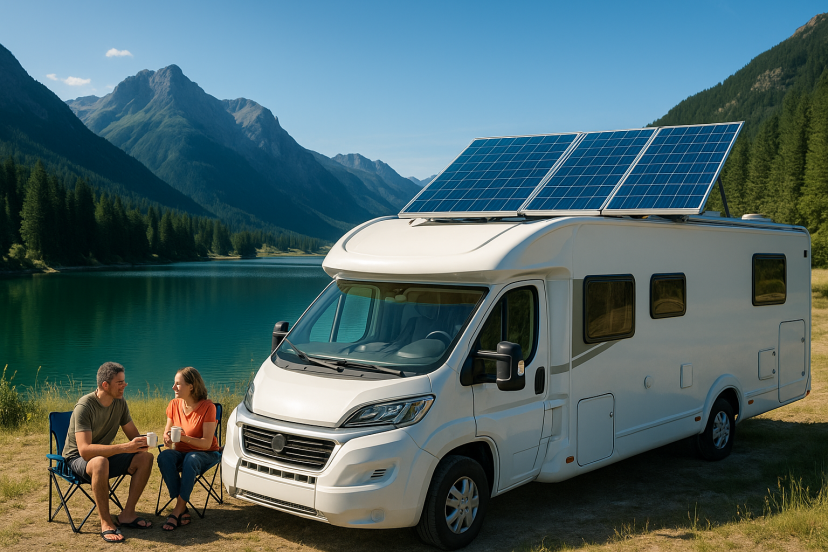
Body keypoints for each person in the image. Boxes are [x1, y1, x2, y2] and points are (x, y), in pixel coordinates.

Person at [62, 362, 154, 543]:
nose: (124, 385)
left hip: (103, 458)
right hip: (76, 460)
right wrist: (124, 447)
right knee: (99, 462)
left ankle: (128, 514)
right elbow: (85, 451)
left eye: (124, 381)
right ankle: (106, 522)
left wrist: (149, 441)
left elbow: (133, 436)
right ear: (105, 385)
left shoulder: (119, 403)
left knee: (145, 458)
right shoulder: (85, 406)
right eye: (120, 382)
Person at [157, 366, 221, 531]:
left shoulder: (208, 407)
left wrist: (183, 437)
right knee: (164, 456)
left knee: (191, 459)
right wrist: (167, 437)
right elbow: (167, 430)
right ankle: (183, 507)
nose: (173, 387)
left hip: (205, 454)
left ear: (191, 386)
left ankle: (177, 509)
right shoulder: (174, 404)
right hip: (180, 453)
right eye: (174, 383)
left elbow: (206, 443)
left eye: (178, 384)